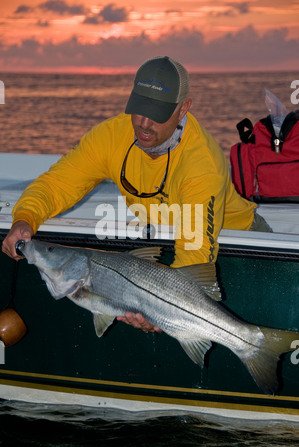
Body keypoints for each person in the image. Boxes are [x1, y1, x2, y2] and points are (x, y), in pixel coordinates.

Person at [1, 56, 270, 333]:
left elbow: (194, 250)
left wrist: (161, 313)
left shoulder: (201, 163)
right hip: (165, 247)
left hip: (241, 248)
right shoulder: (111, 136)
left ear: (183, 109)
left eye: (158, 113)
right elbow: (58, 184)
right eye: (139, 108)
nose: (144, 123)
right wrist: (25, 218)